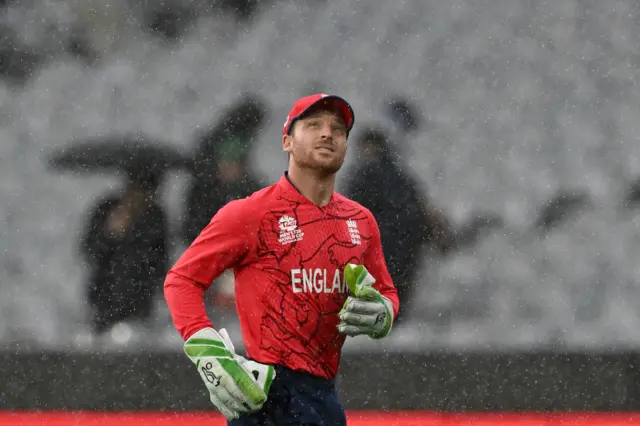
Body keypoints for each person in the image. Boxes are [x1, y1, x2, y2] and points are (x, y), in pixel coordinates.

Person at [164, 94, 399, 425]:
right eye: (314, 124)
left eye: (338, 129)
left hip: (325, 396)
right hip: (267, 397)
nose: (327, 133)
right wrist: (209, 354)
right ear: (287, 141)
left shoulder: (361, 221)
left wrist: (383, 313)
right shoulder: (251, 213)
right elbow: (182, 280)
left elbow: (387, 292)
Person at [345, 127, 454, 324]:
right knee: (398, 293)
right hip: (406, 245)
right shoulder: (401, 175)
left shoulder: (362, 175)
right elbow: (418, 207)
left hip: (382, 245)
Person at [82, 170, 168, 334]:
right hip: (106, 295)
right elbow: (90, 250)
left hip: (140, 298)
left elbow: (159, 259)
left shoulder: (155, 217)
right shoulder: (107, 209)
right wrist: (109, 234)